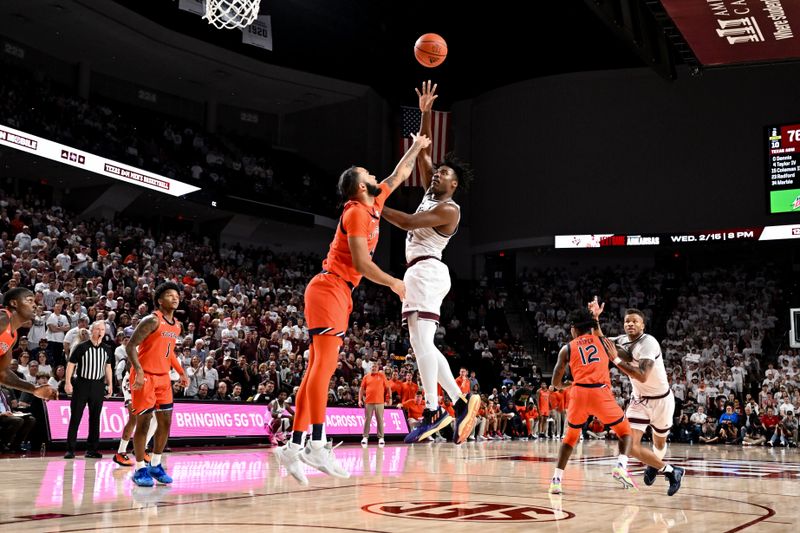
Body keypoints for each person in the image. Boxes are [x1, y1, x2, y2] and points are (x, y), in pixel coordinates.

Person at [275, 132, 431, 486]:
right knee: (323, 370)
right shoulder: (358, 213)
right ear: (360, 187)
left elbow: (399, 174)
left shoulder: (373, 204)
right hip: (329, 288)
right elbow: (361, 263)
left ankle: (293, 446)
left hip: (338, 291)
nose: (376, 177)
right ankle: (316, 442)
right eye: (368, 175)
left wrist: (418, 146)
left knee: (315, 371)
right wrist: (394, 282)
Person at [381, 81, 479, 445]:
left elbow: (406, 222)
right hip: (419, 271)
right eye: (437, 173)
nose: (437, 174)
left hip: (428, 269)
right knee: (422, 344)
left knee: (422, 343)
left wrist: (374, 206)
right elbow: (423, 151)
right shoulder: (430, 191)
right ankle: (459, 401)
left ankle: (434, 410)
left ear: (454, 186)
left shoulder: (448, 210)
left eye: (444, 175)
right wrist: (425, 112)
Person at [589, 299, 684, 496]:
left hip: (661, 400)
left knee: (659, 443)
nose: (630, 324)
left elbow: (642, 375)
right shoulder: (622, 340)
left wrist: (615, 359)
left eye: (634, 321)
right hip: (639, 400)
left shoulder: (649, 343)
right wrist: (595, 318)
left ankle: (654, 463)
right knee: (630, 445)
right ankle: (671, 471)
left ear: (643, 325)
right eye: (627, 321)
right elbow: (601, 341)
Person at [549, 309, 637, 495]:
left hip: (579, 392)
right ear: (591, 328)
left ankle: (556, 480)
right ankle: (621, 466)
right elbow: (628, 357)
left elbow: (555, 380)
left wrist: (564, 385)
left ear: (574, 329)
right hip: (600, 392)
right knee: (625, 432)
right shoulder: (604, 342)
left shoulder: (567, 348)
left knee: (570, 438)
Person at [126, 282, 190, 487]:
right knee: (143, 424)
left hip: (163, 378)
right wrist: (138, 371)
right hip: (145, 377)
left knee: (165, 423)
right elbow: (130, 346)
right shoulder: (151, 320)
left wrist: (181, 372)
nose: (175, 298)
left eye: (177, 295)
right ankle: (139, 469)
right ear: (160, 300)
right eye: (170, 295)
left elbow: (169, 352)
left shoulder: (177, 325)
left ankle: (155, 464)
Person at [64, 321, 114, 458]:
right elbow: (71, 365)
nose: (100, 331)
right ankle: (70, 449)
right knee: (76, 417)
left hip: (98, 385)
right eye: (98, 329)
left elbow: (108, 367)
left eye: (103, 329)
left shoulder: (107, 348)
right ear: (92, 330)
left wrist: (110, 384)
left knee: (95, 418)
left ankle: (92, 449)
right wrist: (68, 382)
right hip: (82, 384)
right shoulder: (81, 347)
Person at [0, 288, 58, 401]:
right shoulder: (2, 319)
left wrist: (34, 389)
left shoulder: (13, 336)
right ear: (14, 303)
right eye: (30, 300)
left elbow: (2, 373)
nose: (35, 305)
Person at [113, 358, 156, 467]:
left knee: (155, 417)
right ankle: (120, 452)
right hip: (131, 379)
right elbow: (130, 363)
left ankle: (141, 447)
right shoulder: (134, 350)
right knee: (134, 418)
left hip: (142, 380)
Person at [359, 361, 392, 447]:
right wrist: (359, 399)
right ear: (370, 368)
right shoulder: (366, 377)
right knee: (367, 420)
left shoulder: (382, 376)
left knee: (380, 420)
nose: (374, 368)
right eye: (372, 367)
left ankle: (381, 438)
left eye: (375, 367)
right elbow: (361, 389)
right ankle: (365, 437)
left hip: (380, 402)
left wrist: (390, 398)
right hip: (368, 402)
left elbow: (388, 388)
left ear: (378, 368)